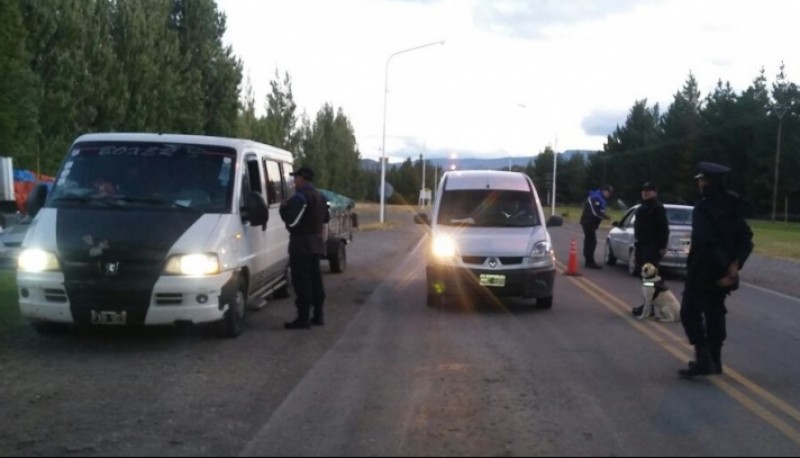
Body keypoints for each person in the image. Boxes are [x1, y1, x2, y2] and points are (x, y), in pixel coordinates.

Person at [679, 162, 753, 378]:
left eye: (701, 179)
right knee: (714, 313)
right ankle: (715, 360)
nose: (699, 183)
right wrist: (735, 265)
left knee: (689, 313)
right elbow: (746, 238)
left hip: (703, 270)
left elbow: (704, 242)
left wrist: (723, 268)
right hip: (724, 271)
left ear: (707, 182)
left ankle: (704, 359)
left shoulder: (703, 208)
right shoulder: (733, 205)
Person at [279, 166, 330, 330]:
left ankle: (303, 318)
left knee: (302, 283)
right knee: (316, 280)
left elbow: (292, 221)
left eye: (296, 178)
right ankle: (318, 315)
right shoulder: (321, 196)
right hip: (316, 244)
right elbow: (326, 218)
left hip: (301, 246)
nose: (294, 181)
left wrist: (283, 209)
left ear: (302, 179)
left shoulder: (300, 197)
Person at [631, 181, 670, 317]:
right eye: (643, 190)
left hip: (652, 247)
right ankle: (649, 306)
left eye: (648, 190)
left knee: (649, 279)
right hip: (642, 246)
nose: (645, 192)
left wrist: (662, 246)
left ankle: (650, 307)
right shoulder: (643, 207)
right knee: (645, 278)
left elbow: (664, 228)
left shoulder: (657, 208)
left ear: (654, 192)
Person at [580, 185, 613, 269]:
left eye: (610, 194)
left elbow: (599, 210)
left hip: (591, 222)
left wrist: (604, 215)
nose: (609, 195)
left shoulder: (599, 198)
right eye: (608, 193)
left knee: (589, 240)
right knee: (592, 241)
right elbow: (595, 212)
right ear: (604, 191)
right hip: (588, 222)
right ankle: (589, 261)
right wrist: (606, 217)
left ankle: (589, 260)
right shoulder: (595, 197)